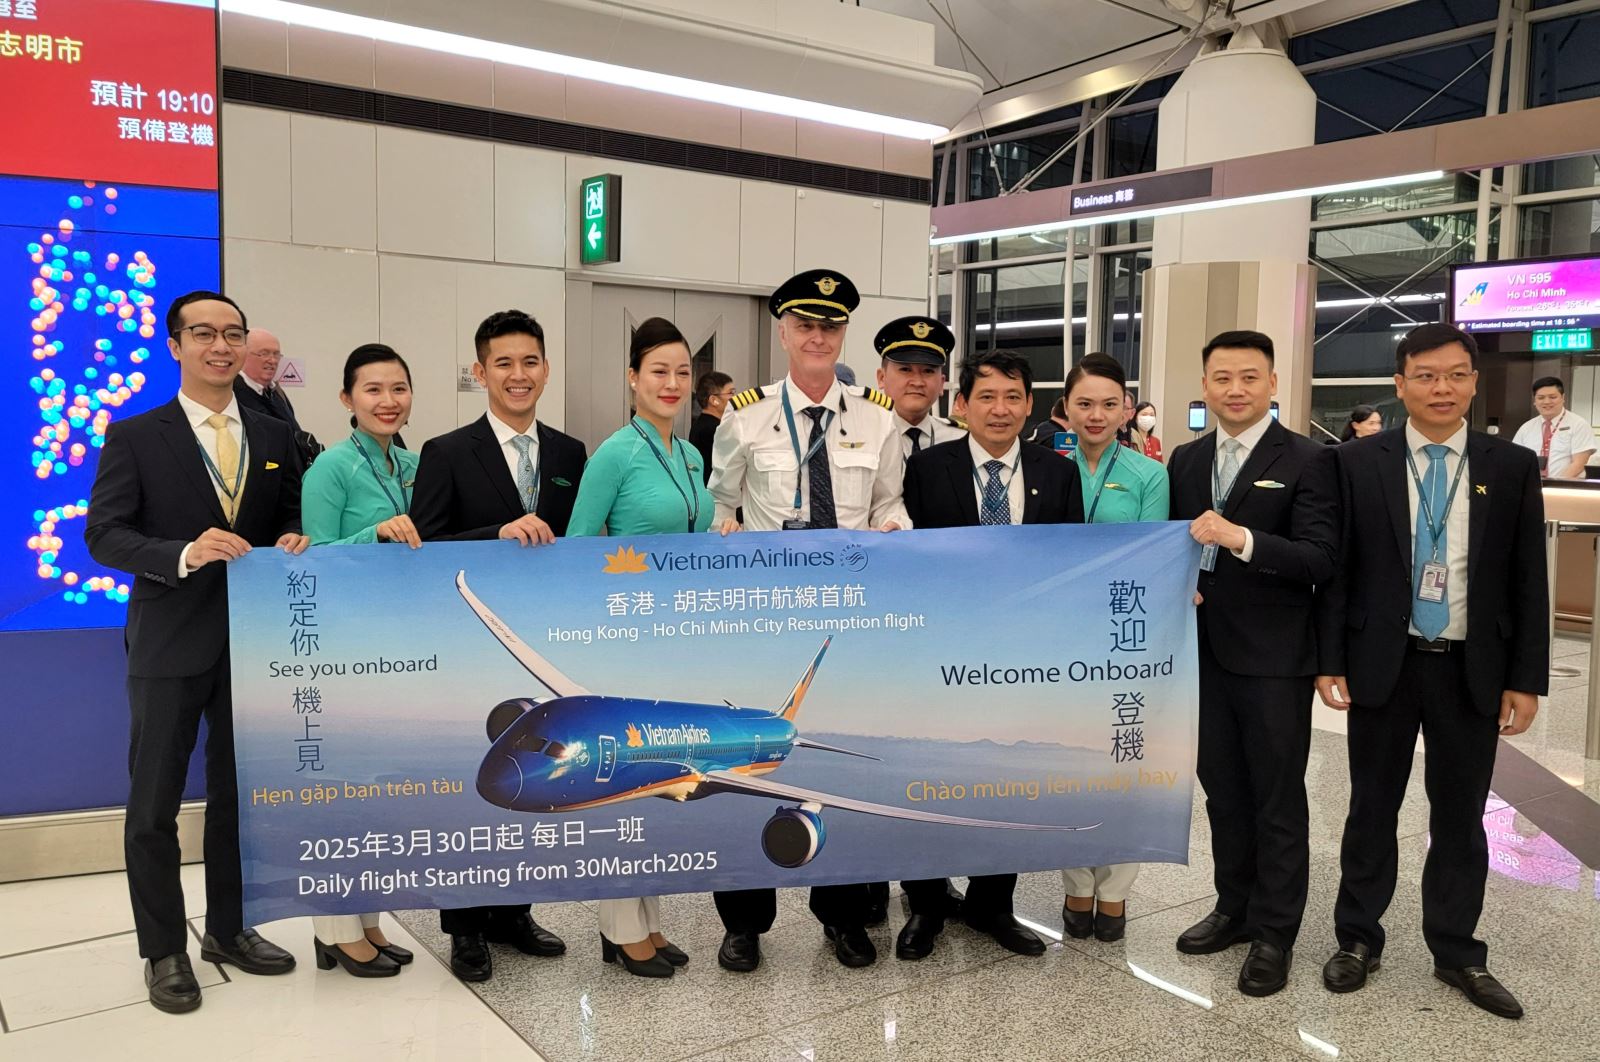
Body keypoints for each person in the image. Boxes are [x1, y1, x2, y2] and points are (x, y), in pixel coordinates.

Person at [84, 291, 309, 1013]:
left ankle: (229, 929)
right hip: (168, 641)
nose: (221, 345)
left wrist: (295, 537)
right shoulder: (136, 435)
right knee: (153, 804)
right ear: (175, 345)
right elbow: (104, 534)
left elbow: (289, 516)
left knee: (238, 799)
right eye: (204, 333)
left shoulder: (274, 435)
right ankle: (163, 951)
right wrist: (182, 552)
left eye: (232, 333)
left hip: (253, 644)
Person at [1316, 323, 1547, 1019]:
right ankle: (1358, 938)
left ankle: (1457, 952)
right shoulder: (1358, 462)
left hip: (1471, 668)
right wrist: (1330, 659)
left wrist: (1526, 677)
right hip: (1383, 663)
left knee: (1460, 817)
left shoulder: (1510, 465)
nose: (1440, 388)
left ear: (1474, 382)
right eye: (1425, 375)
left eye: (1454, 375)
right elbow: (1340, 572)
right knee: (1371, 808)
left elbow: (1527, 576)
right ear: (1400, 384)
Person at [707, 268, 910, 973]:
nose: (818, 337)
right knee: (743, 765)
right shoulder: (746, 415)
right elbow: (722, 506)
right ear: (784, 332)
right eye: (805, 325)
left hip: (845, 625)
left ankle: (843, 916)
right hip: (762, 622)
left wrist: (894, 528)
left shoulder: (878, 417)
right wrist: (725, 533)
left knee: (839, 768)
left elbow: (889, 503)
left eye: (830, 326)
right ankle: (743, 923)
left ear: (843, 333)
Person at [410, 309, 586, 981]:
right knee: (471, 787)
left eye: (530, 362)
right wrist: (498, 534)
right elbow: (426, 548)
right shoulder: (447, 452)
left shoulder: (569, 453)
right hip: (472, 642)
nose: (519, 375)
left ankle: (514, 911)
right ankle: (465, 929)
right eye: (504, 363)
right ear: (480, 372)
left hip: (543, 643)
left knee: (529, 784)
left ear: (546, 369)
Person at [1167, 330, 1338, 998]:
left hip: (1273, 658)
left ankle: (1275, 932)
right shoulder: (1186, 458)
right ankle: (1233, 906)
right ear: (1204, 386)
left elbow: (1320, 558)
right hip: (1199, 653)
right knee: (1225, 793)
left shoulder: (1310, 459)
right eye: (1222, 378)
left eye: (1248, 377)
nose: (1234, 390)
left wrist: (1240, 538)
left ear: (1272, 382)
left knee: (1276, 798)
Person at [896, 349, 1081, 962]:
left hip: (1021, 659)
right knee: (932, 773)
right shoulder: (927, 469)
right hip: (938, 653)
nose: (1000, 409)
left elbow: (1072, 563)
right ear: (962, 405)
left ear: (1030, 406)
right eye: (987, 397)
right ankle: (925, 903)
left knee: (1008, 775)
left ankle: (992, 903)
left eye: (1012, 397)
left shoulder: (1058, 473)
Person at [567, 318, 709, 978]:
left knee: (659, 782)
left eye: (682, 372)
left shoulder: (690, 456)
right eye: (659, 371)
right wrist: (631, 579)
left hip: (677, 638)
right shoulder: (614, 454)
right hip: (625, 635)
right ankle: (621, 929)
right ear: (632, 378)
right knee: (626, 781)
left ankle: (647, 922)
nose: (672, 383)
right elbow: (578, 548)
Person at [296, 343, 422, 978]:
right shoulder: (331, 468)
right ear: (347, 399)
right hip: (344, 645)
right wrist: (373, 532)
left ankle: (368, 921)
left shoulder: (414, 463)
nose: (388, 401)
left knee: (379, 795)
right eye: (373, 390)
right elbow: (312, 557)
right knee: (343, 791)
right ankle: (336, 930)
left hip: (396, 644)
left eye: (398, 388)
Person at [1056, 353, 1169, 942]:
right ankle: (1076, 883)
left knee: (1125, 759)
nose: (1095, 415)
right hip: (1062, 633)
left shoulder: (1149, 474)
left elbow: (1152, 555)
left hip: (1126, 631)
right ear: (1066, 408)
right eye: (1084, 403)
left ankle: (1116, 889)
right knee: (1070, 759)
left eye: (1108, 403)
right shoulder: (1048, 467)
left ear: (1126, 409)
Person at [875, 316, 966, 460]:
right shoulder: (862, 435)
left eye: (928, 371)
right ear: (881, 378)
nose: (917, 382)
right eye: (905, 369)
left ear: (941, 383)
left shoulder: (961, 440)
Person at [233, 328, 322, 465]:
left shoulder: (276, 391)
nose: (272, 360)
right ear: (243, 354)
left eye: (276, 354)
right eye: (264, 354)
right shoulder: (232, 394)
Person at [1511, 376, 1595, 478]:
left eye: (1552, 397)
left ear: (1563, 398)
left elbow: (1579, 463)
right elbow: (1514, 460)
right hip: (1532, 486)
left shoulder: (1578, 425)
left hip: (1565, 486)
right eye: (1541, 398)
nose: (1547, 402)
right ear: (1535, 401)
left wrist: (1555, 484)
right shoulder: (1526, 428)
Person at [690, 370, 735, 484]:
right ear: (714, 400)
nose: (735, 397)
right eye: (731, 393)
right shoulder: (714, 429)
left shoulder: (701, 424)